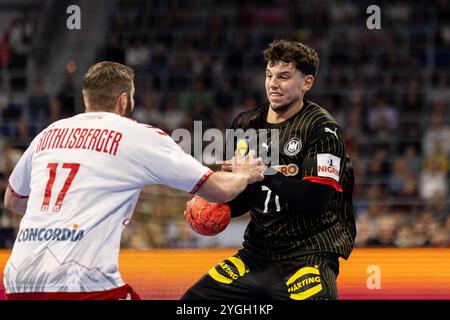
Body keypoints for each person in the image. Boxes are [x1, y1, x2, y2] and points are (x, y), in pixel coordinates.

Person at [2, 61, 264, 300]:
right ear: (124, 99)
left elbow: (12, 200)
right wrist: (243, 174)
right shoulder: (136, 135)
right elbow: (218, 190)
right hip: (83, 284)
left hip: (17, 281)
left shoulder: (48, 134)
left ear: (86, 97)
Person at [182, 40, 356, 300]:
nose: (273, 84)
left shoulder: (323, 130)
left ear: (307, 83)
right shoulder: (245, 124)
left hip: (308, 254)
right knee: (191, 304)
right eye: (269, 75)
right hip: (256, 254)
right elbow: (247, 195)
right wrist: (218, 204)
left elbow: (315, 202)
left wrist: (265, 170)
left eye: (284, 77)